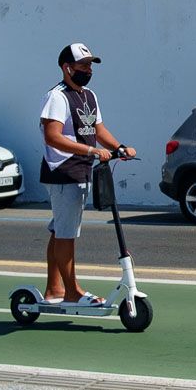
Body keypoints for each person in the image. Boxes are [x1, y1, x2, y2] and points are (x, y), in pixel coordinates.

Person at [38, 43, 136, 304]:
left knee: (60, 230)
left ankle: (54, 289)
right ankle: (71, 292)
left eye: (90, 65)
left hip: (80, 170)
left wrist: (119, 147)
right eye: (83, 65)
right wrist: (90, 151)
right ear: (66, 68)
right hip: (63, 171)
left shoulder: (89, 95)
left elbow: (98, 131)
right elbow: (52, 137)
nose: (88, 70)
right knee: (66, 234)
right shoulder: (57, 97)